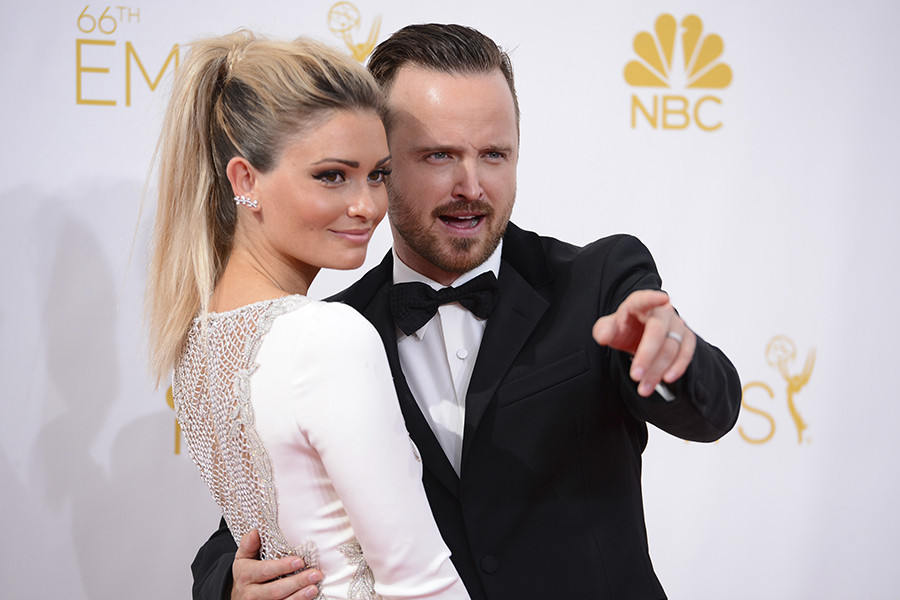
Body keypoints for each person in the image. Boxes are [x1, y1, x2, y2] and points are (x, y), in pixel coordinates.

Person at [190, 24, 742, 600]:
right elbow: (249, 512)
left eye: (494, 155)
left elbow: (714, 412)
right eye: (439, 156)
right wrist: (226, 584)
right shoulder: (331, 334)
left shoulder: (599, 282)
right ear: (381, 162)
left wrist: (677, 357)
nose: (472, 186)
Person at [146, 29, 470, 600]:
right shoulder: (327, 335)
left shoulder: (195, 342)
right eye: (331, 175)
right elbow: (421, 582)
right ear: (245, 180)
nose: (367, 206)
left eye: (377, 174)